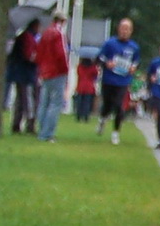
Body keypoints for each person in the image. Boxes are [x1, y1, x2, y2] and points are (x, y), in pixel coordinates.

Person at [97, 18, 141, 144]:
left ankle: (115, 132)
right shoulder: (110, 43)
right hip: (109, 79)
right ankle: (102, 119)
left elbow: (136, 62)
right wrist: (107, 63)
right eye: (123, 28)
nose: (124, 31)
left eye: (127, 29)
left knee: (119, 106)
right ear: (118, 29)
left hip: (123, 81)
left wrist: (133, 68)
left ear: (131, 31)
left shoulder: (134, 47)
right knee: (107, 104)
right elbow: (99, 58)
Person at [35, 13, 70, 142]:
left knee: (44, 103)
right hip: (57, 72)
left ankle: (41, 130)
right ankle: (48, 133)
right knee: (55, 104)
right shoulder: (58, 33)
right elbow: (61, 54)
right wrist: (65, 70)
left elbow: (39, 53)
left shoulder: (45, 33)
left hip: (45, 72)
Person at [6, 17, 41, 135]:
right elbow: (29, 55)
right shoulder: (28, 37)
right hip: (26, 74)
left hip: (18, 73)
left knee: (20, 100)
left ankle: (16, 124)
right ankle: (30, 125)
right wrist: (38, 59)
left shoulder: (22, 36)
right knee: (29, 100)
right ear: (35, 26)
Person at [73, 51, 100, 122]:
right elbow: (96, 75)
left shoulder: (79, 66)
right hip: (89, 87)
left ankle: (78, 116)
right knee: (87, 103)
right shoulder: (93, 67)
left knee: (79, 102)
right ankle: (86, 117)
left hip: (80, 86)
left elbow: (78, 74)